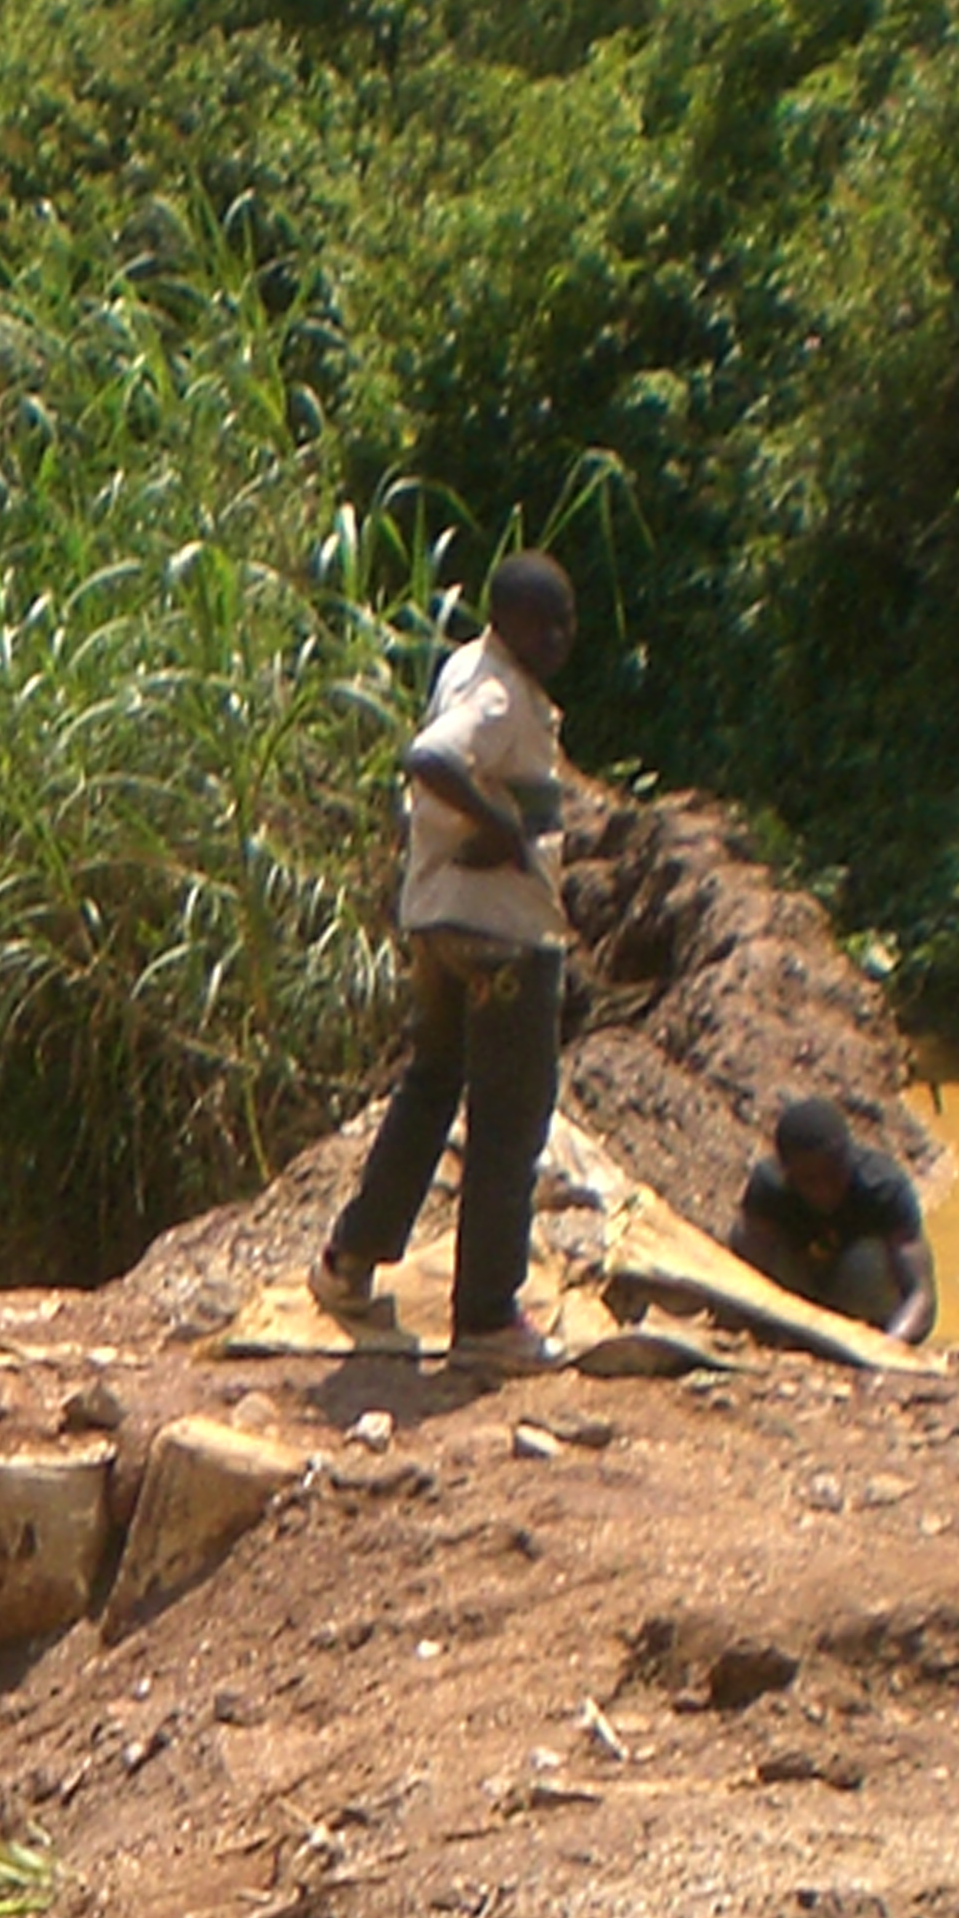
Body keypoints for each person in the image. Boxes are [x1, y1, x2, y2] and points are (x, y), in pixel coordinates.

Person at [310, 552, 576, 1358]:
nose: (564, 641)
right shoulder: (496, 694)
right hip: (500, 939)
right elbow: (430, 757)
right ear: (521, 625)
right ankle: (488, 1317)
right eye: (554, 626)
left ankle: (349, 1260)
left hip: (439, 925)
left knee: (430, 1088)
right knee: (508, 1121)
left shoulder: (467, 666)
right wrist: (499, 832)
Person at [736, 1097, 936, 1341]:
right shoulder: (769, 1189)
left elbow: (921, 1296)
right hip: (799, 1294)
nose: (825, 1189)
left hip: (858, 1302)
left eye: (834, 1173)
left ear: (848, 1158)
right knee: (743, 1236)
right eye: (810, 1180)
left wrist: (888, 1346)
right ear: (787, 1173)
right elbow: (743, 1280)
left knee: (865, 1261)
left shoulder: (882, 1187)